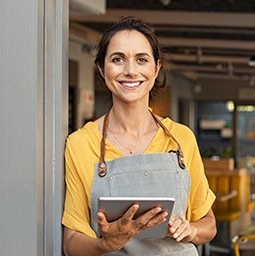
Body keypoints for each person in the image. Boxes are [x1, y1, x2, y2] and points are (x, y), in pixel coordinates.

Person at [62, 17, 217, 256]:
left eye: (141, 60)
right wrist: (106, 244)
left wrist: (190, 230)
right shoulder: (81, 143)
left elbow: (208, 224)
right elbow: (71, 242)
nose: (130, 71)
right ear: (102, 69)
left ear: (156, 68)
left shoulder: (181, 138)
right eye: (118, 59)